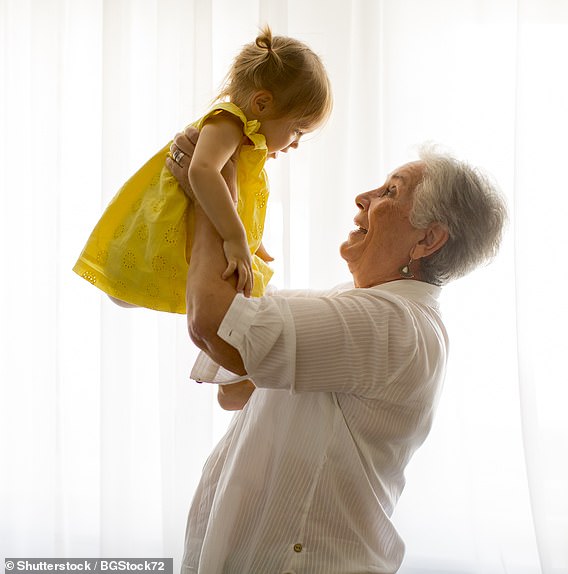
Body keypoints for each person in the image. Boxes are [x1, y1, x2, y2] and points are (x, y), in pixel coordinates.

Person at [167, 129, 507, 573]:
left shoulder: (393, 324)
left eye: (390, 192)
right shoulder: (350, 305)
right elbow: (232, 389)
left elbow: (214, 323)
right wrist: (215, 193)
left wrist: (213, 190)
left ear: (427, 241)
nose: (362, 197)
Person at [72, 26, 332, 311]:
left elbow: (236, 197)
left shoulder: (246, 144)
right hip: (168, 225)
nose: (295, 143)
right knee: (127, 289)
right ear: (261, 103)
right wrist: (236, 237)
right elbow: (202, 171)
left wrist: (253, 243)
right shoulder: (228, 122)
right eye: (296, 129)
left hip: (195, 231)